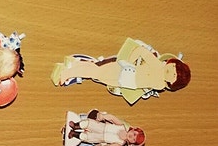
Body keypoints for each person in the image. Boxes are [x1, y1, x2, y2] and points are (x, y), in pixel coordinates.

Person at [51, 38, 190, 104]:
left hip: (124, 83)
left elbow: (142, 88)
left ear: (173, 83)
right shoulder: (157, 64)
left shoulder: (159, 85)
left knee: (98, 75)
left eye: (174, 75)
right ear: (171, 62)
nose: (171, 72)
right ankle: (68, 72)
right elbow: (140, 51)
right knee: (97, 71)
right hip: (124, 71)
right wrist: (129, 63)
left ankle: (74, 65)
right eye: (174, 68)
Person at [67, 110, 145, 146]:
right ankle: (76, 125)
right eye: (134, 134)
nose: (132, 136)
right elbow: (112, 118)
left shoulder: (119, 144)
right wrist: (103, 116)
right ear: (133, 129)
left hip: (100, 138)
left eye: (134, 139)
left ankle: (74, 134)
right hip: (101, 127)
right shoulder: (121, 126)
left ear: (132, 143)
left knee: (86, 137)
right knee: (88, 123)